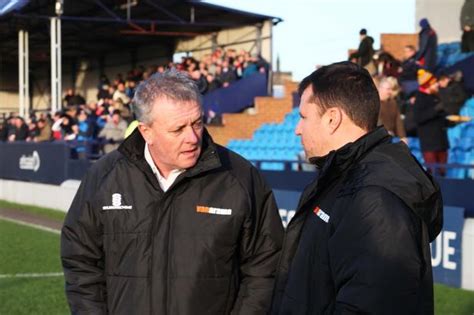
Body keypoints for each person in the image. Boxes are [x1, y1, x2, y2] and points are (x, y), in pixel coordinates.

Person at [61, 69, 284, 314]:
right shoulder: (105, 177)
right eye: (178, 129)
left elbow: (265, 268)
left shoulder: (240, 178)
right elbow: (81, 261)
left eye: (197, 123)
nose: (192, 137)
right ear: (147, 132)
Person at [271, 62, 443, 314]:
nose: (297, 129)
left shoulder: (377, 197)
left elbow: (371, 303)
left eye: (304, 117)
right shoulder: (340, 175)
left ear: (332, 119)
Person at [414, 69, 449, 176]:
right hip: (430, 144)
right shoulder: (420, 98)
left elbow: (441, 116)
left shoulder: (436, 95)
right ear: (427, 85)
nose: (437, 84)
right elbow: (419, 118)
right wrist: (436, 109)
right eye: (434, 83)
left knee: (443, 173)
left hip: (441, 142)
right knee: (432, 175)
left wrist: (449, 121)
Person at [377, 77, 407, 142]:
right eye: (388, 89)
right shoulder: (375, 103)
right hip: (379, 138)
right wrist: (384, 132)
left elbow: (398, 121)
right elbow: (377, 121)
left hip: (392, 137)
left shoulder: (393, 103)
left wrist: (403, 137)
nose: (390, 92)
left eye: (391, 89)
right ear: (380, 89)